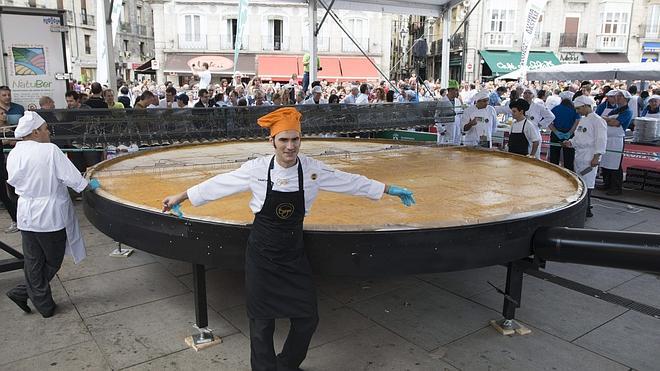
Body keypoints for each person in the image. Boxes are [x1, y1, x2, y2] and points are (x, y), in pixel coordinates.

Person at [161, 107, 415, 371]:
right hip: (262, 254)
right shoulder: (256, 169)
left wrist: (388, 189)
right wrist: (181, 196)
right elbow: (219, 184)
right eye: (283, 140)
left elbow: (349, 181)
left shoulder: (313, 170)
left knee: (307, 318)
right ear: (271, 141)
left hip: (293, 255)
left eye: (295, 139)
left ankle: (287, 365)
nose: (290, 146)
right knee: (261, 324)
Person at [5, 112, 94, 317]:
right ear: (35, 132)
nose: (48, 132)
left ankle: (43, 304)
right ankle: (26, 294)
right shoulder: (50, 151)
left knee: (33, 261)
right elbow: (75, 181)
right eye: (46, 128)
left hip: (26, 214)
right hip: (49, 216)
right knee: (53, 260)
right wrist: (89, 183)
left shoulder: (14, 153)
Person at [562, 96, 607, 218]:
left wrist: (596, 157)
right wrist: (570, 142)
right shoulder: (582, 120)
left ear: (586, 106)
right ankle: (582, 207)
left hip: (590, 155)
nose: (577, 111)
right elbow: (578, 137)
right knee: (580, 181)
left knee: (588, 183)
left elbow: (601, 140)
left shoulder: (598, 121)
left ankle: (586, 209)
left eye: (578, 108)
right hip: (579, 154)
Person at [599, 90, 633, 196]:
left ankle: (616, 187)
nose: (617, 97)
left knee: (615, 164)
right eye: (617, 96)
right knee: (605, 162)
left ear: (625, 99)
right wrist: (607, 120)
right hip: (607, 138)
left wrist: (606, 119)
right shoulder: (616, 110)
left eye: (620, 96)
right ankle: (607, 183)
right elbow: (608, 120)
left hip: (616, 140)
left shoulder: (628, 111)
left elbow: (616, 123)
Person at [548, 98, 581, 171]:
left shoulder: (555, 108)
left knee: (554, 158)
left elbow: (548, 121)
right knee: (569, 158)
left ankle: (553, 173)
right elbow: (577, 121)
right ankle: (569, 174)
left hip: (556, 134)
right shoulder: (574, 109)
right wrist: (570, 133)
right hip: (569, 134)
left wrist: (556, 131)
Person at [0, 107, 18, 233]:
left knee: (6, 195)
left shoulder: (7, 128)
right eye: (1, 113)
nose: (4, 115)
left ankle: (16, 220)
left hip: (3, 168)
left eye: (3, 112)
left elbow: (14, 141)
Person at [438, 80, 463, 145]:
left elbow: (460, 116)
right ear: (451, 90)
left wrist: (461, 128)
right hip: (446, 129)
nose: (457, 92)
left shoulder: (458, 101)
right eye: (456, 90)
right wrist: (441, 129)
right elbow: (437, 116)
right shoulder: (441, 102)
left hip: (456, 129)